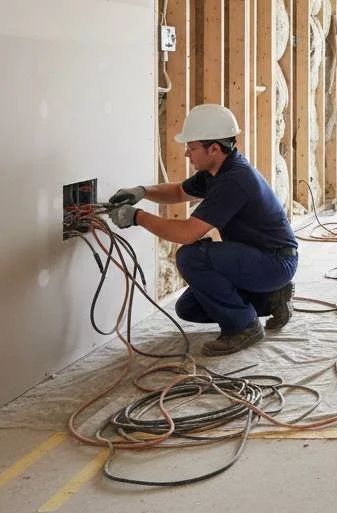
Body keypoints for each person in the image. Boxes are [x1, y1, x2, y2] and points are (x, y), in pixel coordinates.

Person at [106, 103, 298, 357]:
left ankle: (244, 327)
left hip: (274, 261)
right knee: (189, 308)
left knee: (191, 256)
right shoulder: (216, 171)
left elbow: (188, 233)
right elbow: (177, 192)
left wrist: (137, 217)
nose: (187, 154)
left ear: (215, 149)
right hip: (257, 258)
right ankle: (271, 298)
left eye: (192, 148)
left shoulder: (234, 180)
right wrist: (142, 192)